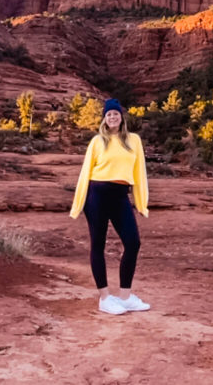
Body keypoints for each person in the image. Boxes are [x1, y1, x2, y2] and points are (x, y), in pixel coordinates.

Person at [69, 98, 150, 315]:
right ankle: (105, 298)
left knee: (133, 243)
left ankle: (125, 297)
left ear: (121, 116)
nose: (112, 117)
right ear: (104, 119)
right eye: (108, 114)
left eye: (115, 113)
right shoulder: (97, 141)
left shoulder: (134, 140)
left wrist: (142, 203)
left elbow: (139, 174)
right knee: (98, 245)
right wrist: (78, 204)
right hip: (97, 195)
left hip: (120, 196)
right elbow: (85, 172)